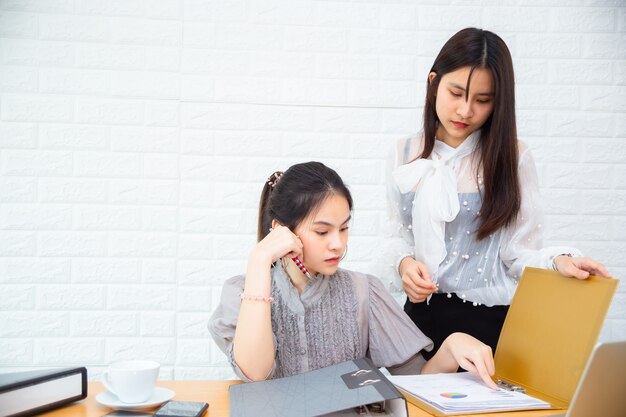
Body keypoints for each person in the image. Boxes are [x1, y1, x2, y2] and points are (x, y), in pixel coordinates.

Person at [382, 27, 611, 360]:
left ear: (498, 102)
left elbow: (517, 253)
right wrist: (404, 264)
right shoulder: (404, 153)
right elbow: (396, 234)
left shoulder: (512, 157)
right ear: (433, 83)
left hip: (488, 324)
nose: (465, 110)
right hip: (419, 319)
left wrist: (557, 261)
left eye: (482, 100)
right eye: (455, 93)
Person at [209, 161, 497, 388]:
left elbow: (417, 381)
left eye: (344, 228)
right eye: (322, 231)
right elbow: (256, 374)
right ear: (281, 230)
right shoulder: (240, 293)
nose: (338, 243)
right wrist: (260, 260)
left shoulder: (364, 291)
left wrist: (451, 347)